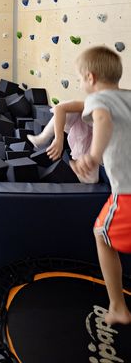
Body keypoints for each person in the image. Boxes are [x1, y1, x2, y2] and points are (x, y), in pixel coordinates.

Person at [73, 45, 131, 326]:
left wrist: (94, 156)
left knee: (101, 233)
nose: (82, 84)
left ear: (91, 77)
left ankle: (118, 307)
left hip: (127, 192)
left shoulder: (98, 100)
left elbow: (102, 120)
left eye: (80, 79)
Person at [26, 100, 97, 183]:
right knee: (68, 109)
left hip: (96, 140)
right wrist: (58, 139)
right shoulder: (96, 106)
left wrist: (88, 159)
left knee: (92, 180)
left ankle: (78, 169)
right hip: (84, 125)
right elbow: (60, 108)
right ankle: (43, 137)